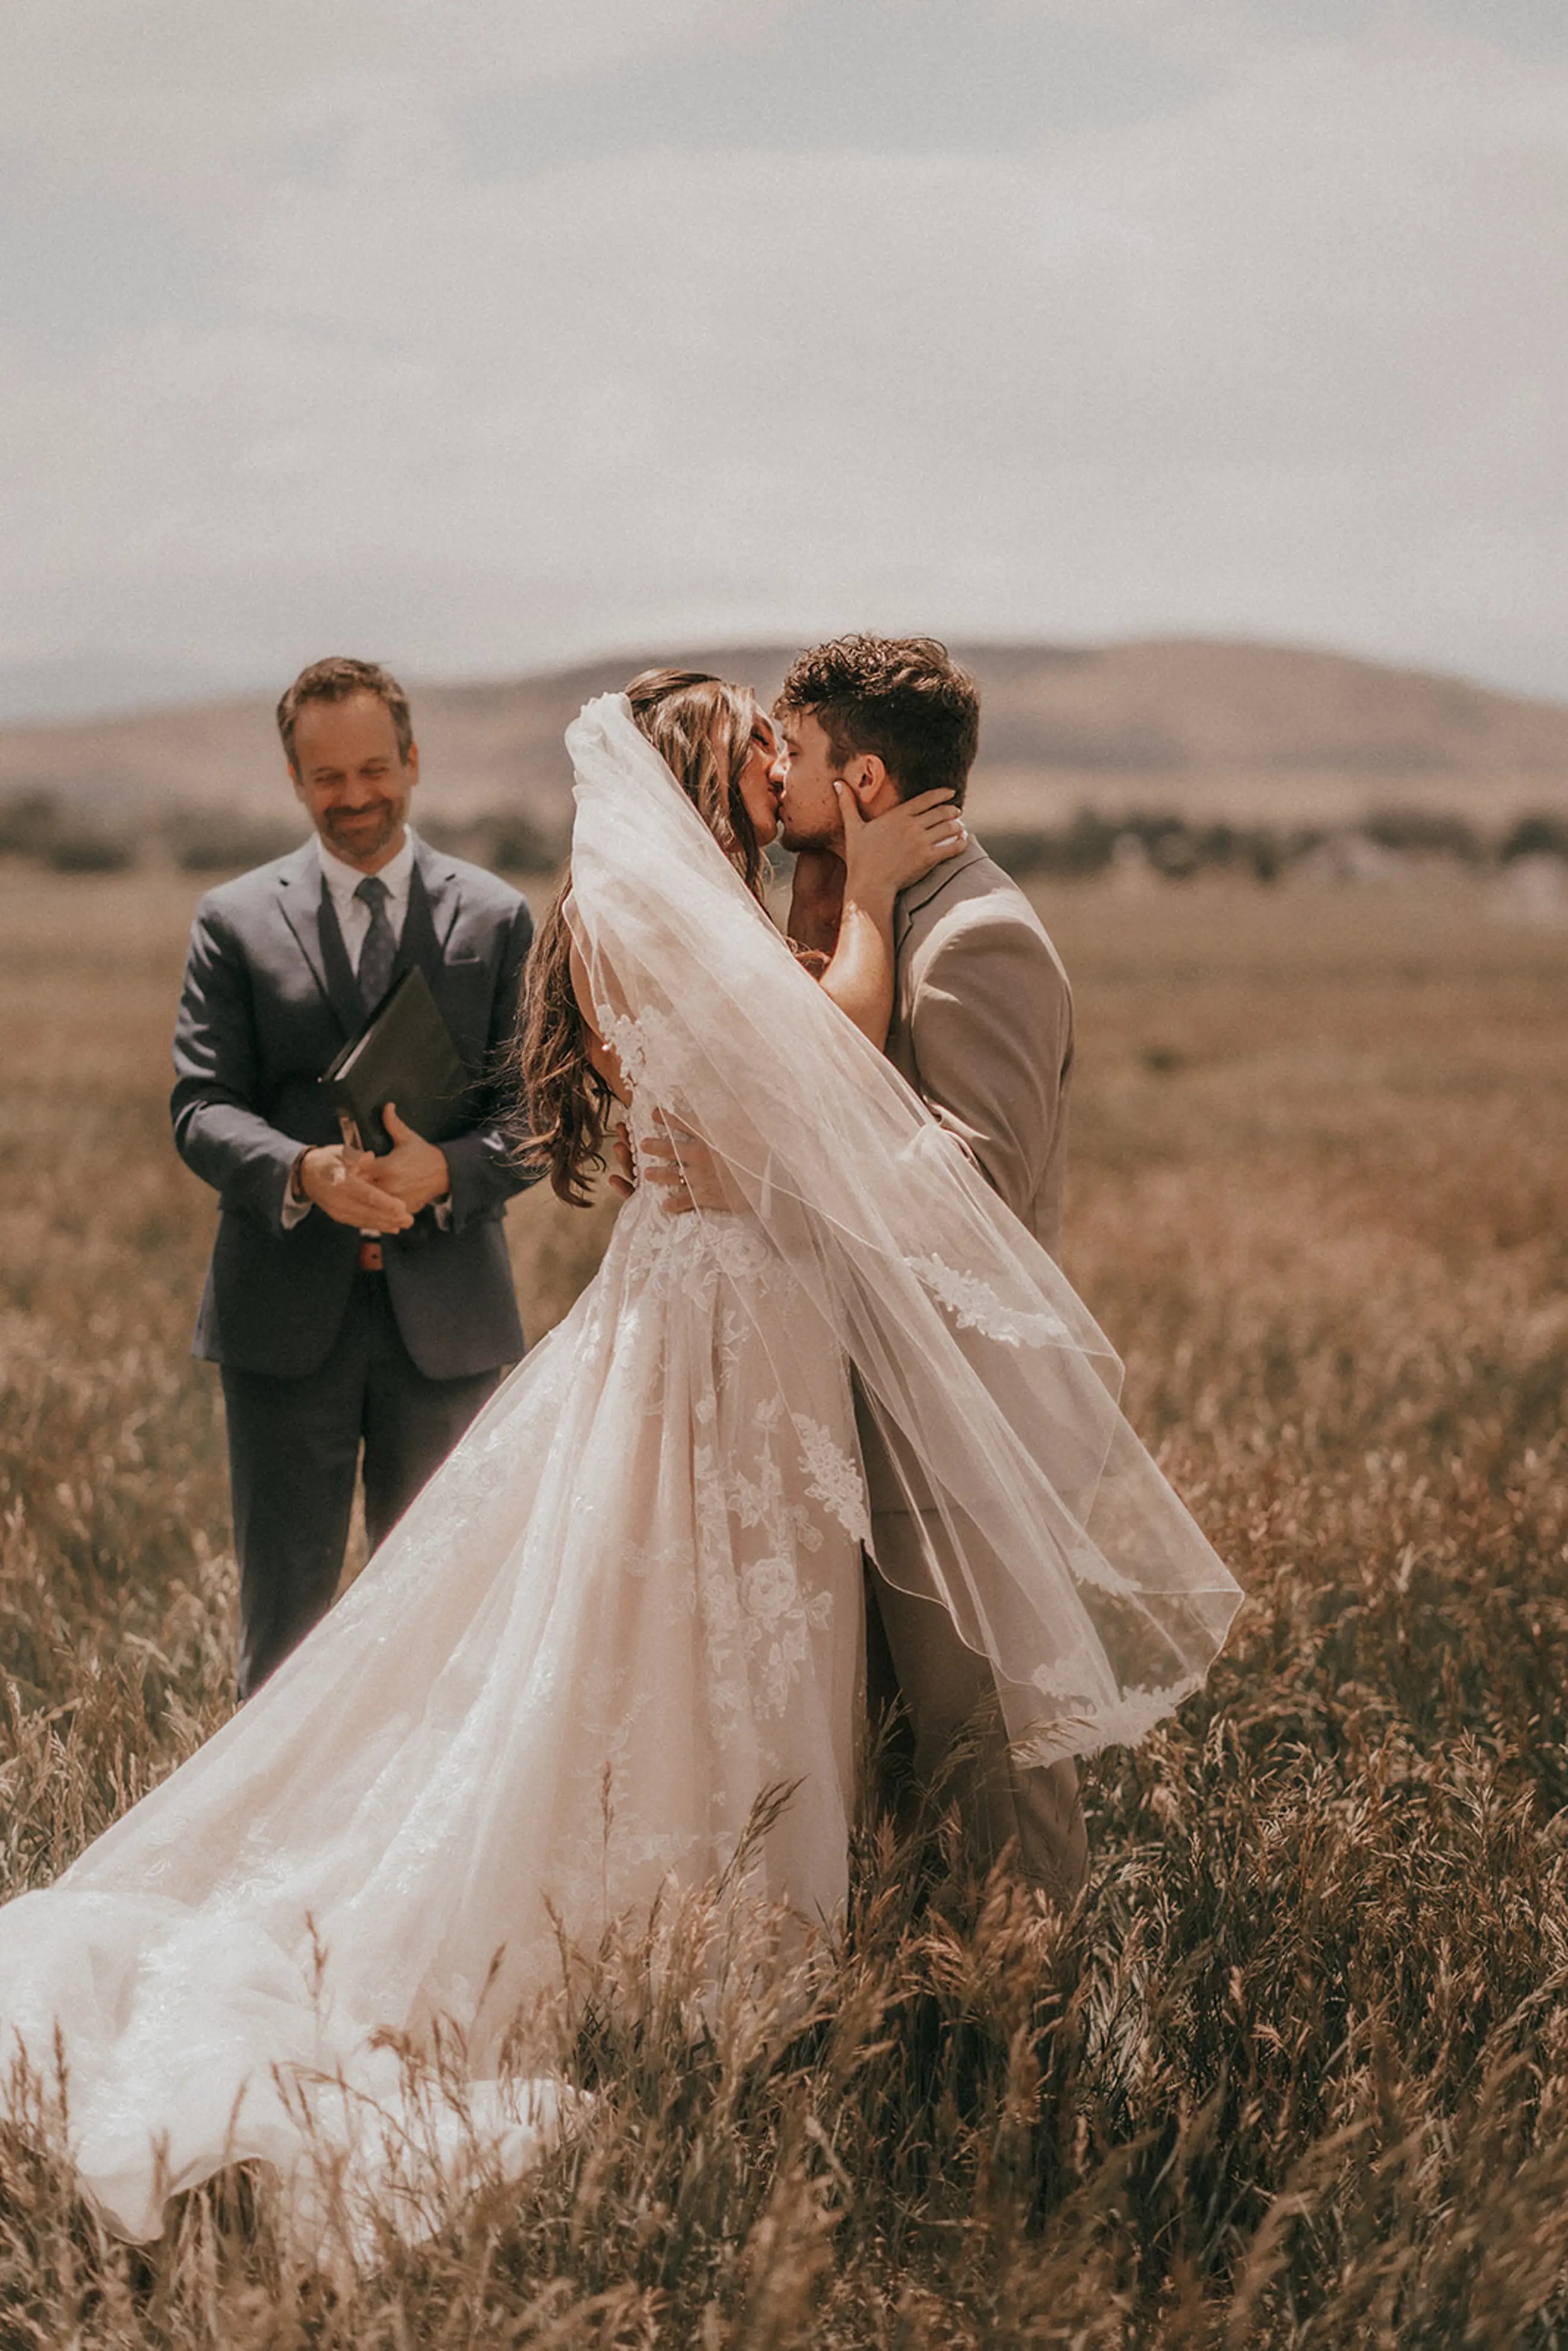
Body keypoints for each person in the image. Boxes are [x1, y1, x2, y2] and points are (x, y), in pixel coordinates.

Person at [0, 672, 1240, 2244]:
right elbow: (836, 1045)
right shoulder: (672, 914)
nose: (774, 766)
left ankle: (771, 1972)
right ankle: (686, 1976)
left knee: (693, 1633)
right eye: (751, 750)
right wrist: (860, 887)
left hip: (719, 1310)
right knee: (688, 1634)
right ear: (696, 783)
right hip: (723, 1321)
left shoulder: (638, 907)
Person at [777, 636, 1086, 1898]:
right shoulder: (879, 913)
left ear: (858, 780)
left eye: (792, 754)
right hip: (874, 1412)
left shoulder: (976, 936)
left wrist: (788, 1157)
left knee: (994, 1768)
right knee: (903, 1770)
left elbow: (984, 1183)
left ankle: (1048, 2046)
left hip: (958, 1437)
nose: (772, 775)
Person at [171, 657, 536, 1695]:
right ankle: (269, 1855)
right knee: (282, 1631)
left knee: (447, 1631)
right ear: (295, 779)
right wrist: (300, 1171)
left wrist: (450, 1171)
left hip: (449, 1327)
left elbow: (538, 1116)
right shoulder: (231, 921)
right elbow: (198, 1106)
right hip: (283, 1325)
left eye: (376, 768)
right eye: (328, 777)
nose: (357, 797)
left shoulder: (498, 917)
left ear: (413, 762)